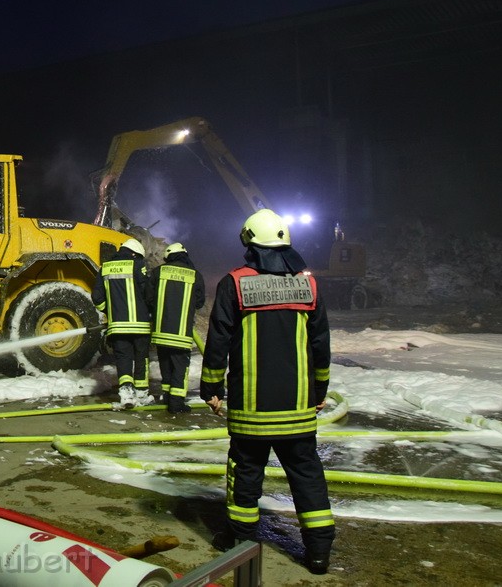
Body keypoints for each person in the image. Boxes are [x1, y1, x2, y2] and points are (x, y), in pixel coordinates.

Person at [200, 209, 334, 575]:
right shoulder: (310, 285)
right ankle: (319, 554)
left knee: (246, 475)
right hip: (298, 409)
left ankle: (241, 544)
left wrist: (210, 386)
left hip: (251, 411)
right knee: (307, 477)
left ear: (248, 241)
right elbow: (320, 344)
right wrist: (319, 388)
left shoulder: (234, 283)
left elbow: (219, 340)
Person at [92, 237, 154, 409]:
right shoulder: (138, 265)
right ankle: (142, 395)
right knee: (141, 358)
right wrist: (150, 311)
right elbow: (148, 293)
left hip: (118, 326)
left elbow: (97, 298)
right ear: (134, 254)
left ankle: (126, 395)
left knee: (123, 358)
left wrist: (109, 311)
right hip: (140, 325)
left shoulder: (104, 268)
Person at [146, 242, 205, 413]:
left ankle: (166, 397)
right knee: (180, 367)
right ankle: (176, 403)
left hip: (161, 332)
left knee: (166, 364)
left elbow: (149, 298)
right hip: (182, 333)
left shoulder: (158, 272)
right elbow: (200, 302)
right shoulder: (195, 275)